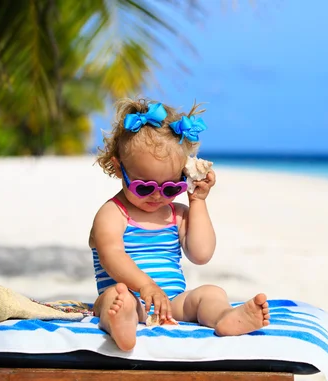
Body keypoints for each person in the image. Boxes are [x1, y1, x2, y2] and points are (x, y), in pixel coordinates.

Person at [89, 97, 270, 351]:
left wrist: (197, 201)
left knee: (211, 292)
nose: (157, 195)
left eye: (172, 187)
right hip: (131, 295)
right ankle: (122, 323)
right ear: (120, 169)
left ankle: (224, 317)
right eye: (144, 186)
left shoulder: (177, 214)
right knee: (114, 298)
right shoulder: (112, 213)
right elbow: (112, 256)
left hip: (172, 303)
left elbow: (201, 253)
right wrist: (145, 286)